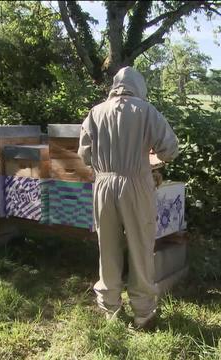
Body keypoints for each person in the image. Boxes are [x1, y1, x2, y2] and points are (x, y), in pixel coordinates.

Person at [78, 67, 179, 329]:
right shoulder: (146, 111)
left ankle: (109, 307)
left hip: (103, 184)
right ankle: (143, 313)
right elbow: (170, 149)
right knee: (141, 248)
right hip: (135, 184)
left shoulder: (95, 112)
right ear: (139, 87)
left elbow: (84, 154)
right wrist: (148, 156)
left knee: (108, 248)